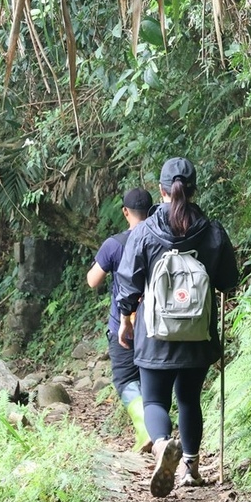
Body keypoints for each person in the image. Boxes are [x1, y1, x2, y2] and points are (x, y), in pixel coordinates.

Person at [115, 157, 239, 498]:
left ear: (161, 190)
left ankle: (160, 448)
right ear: (194, 189)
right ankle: (190, 468)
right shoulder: (212, 231)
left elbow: (128, 284)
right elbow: (229, 280)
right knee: (189, 399)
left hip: (156, 335)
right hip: (198, 335)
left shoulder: (144, 232)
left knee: (154, 399)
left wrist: (126, 320)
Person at [86, 187, 154, 453]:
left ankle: (144, 429)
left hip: (123, 325)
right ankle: (158, 431)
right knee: (152, 377)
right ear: (152, 210)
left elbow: (93, 280)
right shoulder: (162, 239)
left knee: (126, 380)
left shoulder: (114, 244)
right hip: (157, 323)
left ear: (125, 212)